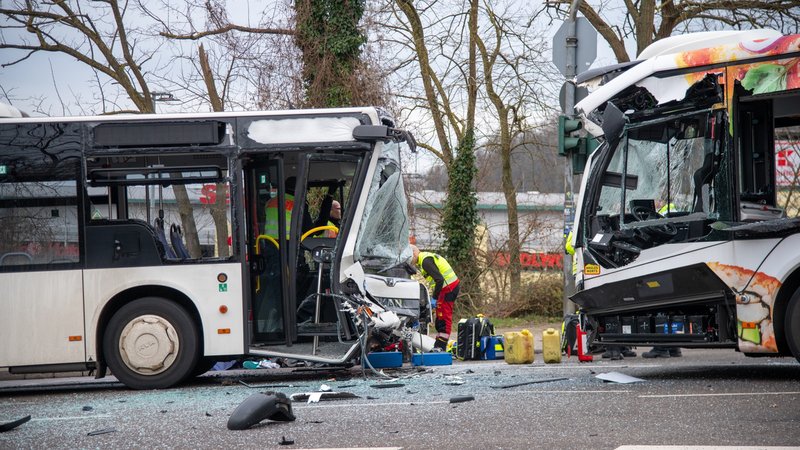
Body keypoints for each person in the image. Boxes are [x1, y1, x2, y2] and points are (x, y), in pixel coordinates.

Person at [410, 245, 459, 351]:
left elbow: (439, 279)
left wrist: (434, 298)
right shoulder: (424, 259)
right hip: (447, 288)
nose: (409, 261)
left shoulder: (425, 261)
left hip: (448, 288)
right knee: (440, 319)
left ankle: (441, 347)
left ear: (413, 253)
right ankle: (439, 344)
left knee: (444, 318)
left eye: (409, 257)